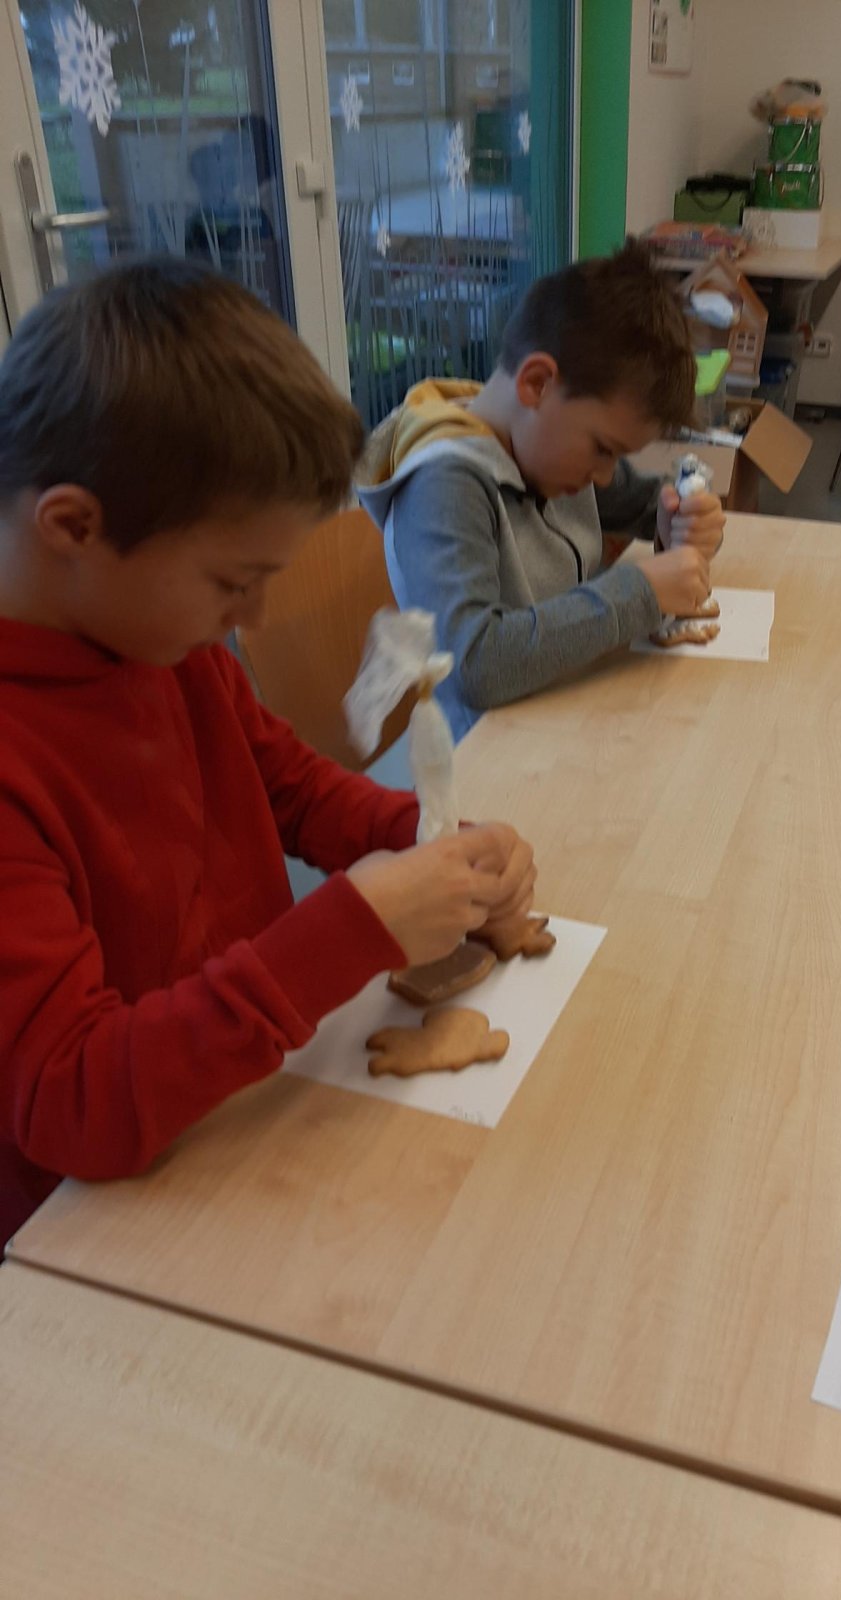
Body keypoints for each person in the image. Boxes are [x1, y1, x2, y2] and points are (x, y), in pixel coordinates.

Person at [0, 259, 535, 1246]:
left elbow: (284, 784)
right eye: (232, 581)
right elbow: (74, 1101)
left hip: (242, 1102)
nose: (250, 617)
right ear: (72, 525)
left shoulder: (159, 637)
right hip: (92, 1230)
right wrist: (347, 931)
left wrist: (429, 836)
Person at [358, 242, 727, 741]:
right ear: (536, 384)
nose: (604, 476)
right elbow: (474, 665)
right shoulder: (444, 485)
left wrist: (683, 517)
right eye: (603, 449)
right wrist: (639, 593)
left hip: (566, 714)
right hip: (492, 755)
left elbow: (644, 501)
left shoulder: (543, 444)